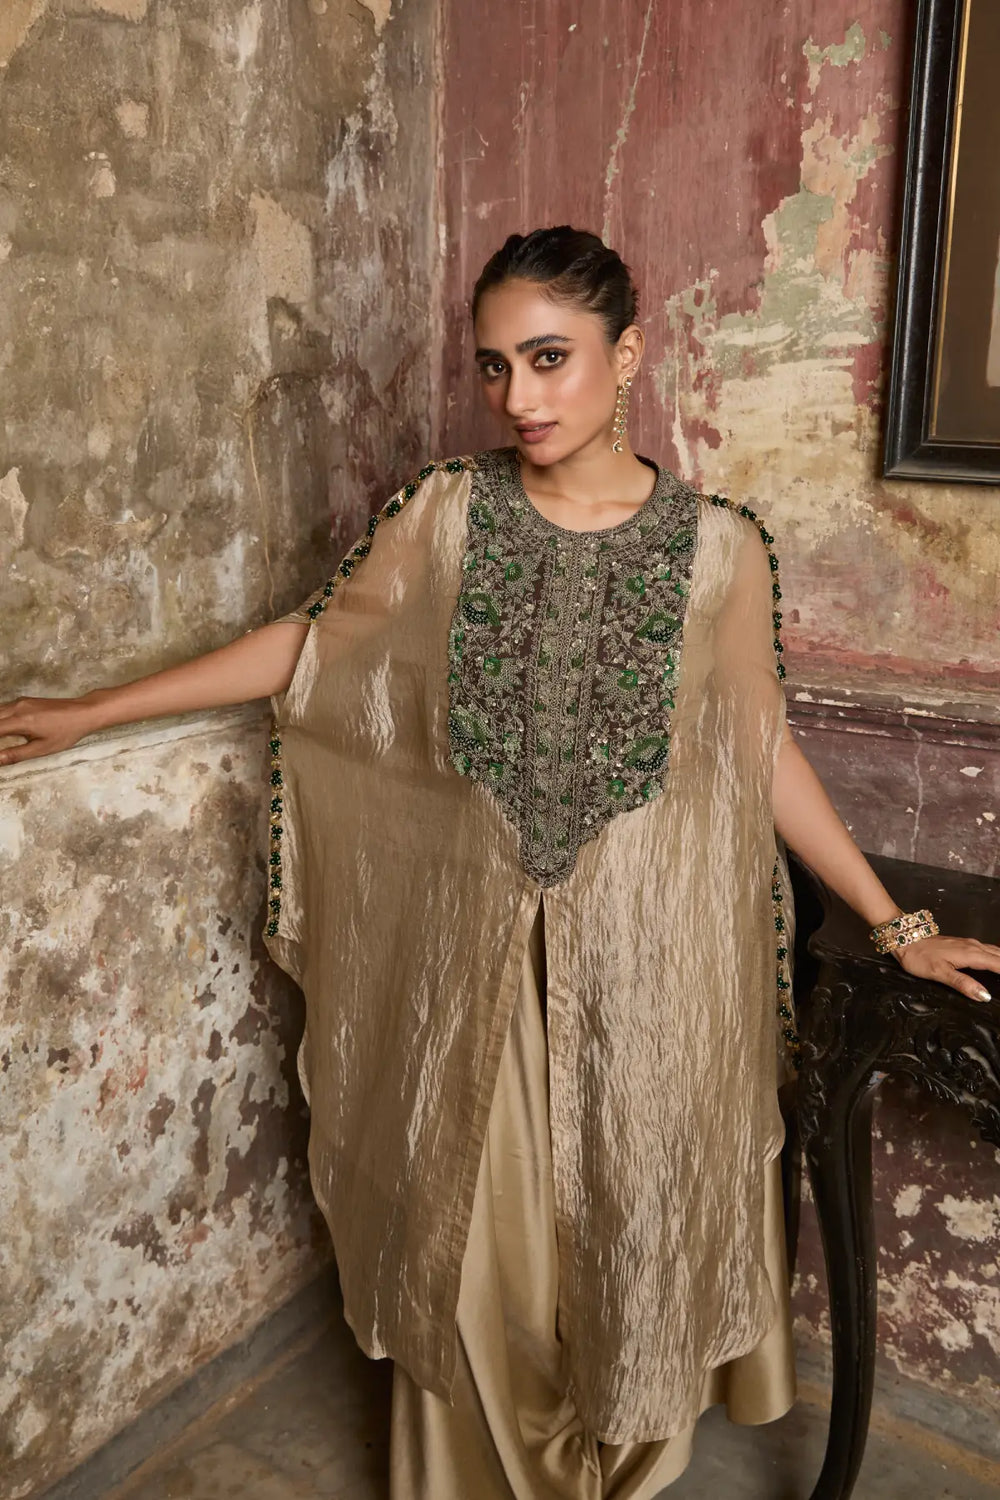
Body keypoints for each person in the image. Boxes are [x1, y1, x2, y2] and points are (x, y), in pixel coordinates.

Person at [2, 226, 997, 1500]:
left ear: (625, 355)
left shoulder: (720, 548)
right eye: (492, 366)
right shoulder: (446, 512)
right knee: (475, 1232)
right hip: (476, 953)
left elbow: (760, 752)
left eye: (548, 358)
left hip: (652, 952)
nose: (516, 397)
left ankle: (623, 1451)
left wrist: (896, 923)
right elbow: (313, 647)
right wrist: (95, 711)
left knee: (634, 1214)